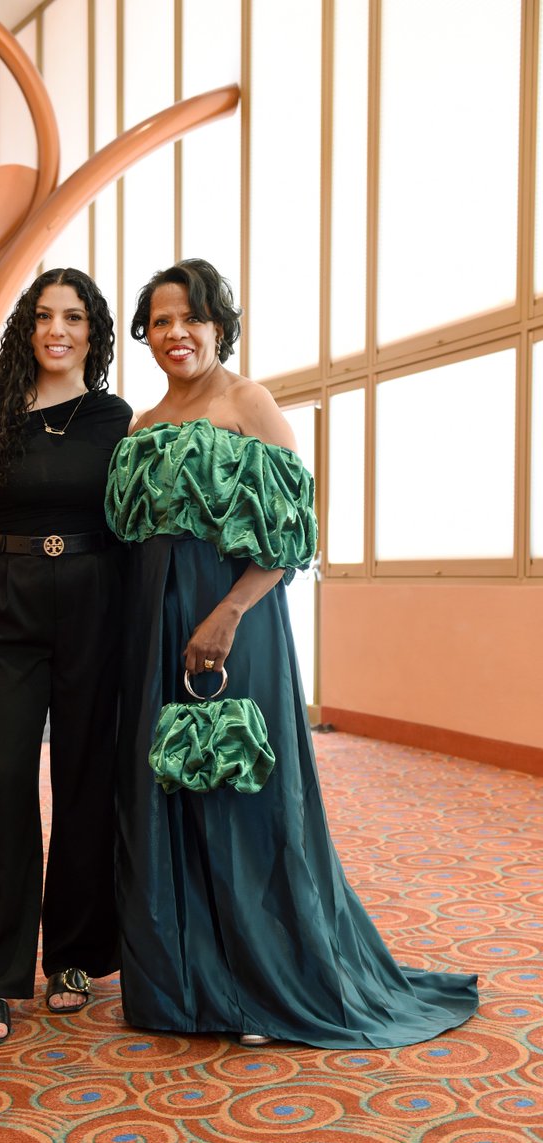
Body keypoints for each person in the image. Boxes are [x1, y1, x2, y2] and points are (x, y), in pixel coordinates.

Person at [104, 258, 478, 1048]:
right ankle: (184, 988)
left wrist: (229, 612)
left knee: (242, 787)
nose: (176, 334)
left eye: (191, 318)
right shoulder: (140, 425)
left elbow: (295, 529)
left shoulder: (248, 403)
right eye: (162, 321)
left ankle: (263, 982)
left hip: (233, 620)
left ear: (218, 326)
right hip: (153, 622)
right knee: (167, 788)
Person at [0, 267, 132, 1043]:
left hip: (97, 603)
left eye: (75, 318)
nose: (59, 330)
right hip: (6, 604)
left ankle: (78, 954)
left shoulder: (117, 419)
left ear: (94, 332)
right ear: (27, 325)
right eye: (46, 316)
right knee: (7, 781)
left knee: (87, 778)